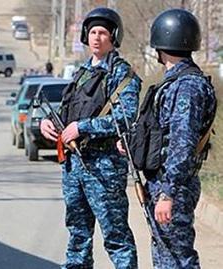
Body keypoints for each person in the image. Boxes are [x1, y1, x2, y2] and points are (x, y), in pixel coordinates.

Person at [40, 7, 141, 268]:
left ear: (113, 37)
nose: (96, 38)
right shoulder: (82, 72)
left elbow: (126, 117)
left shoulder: (122, 74)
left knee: (116, 237)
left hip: (104, 168)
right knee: (78, 234)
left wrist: (82, 127)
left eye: (103, 33)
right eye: (93, 32)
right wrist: (49, 124)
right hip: (74, 166)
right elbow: (66, 111)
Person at [121, 9, 217, 268]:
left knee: (178, 257)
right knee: (167, 254)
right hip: (165, 182)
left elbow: (181, 144)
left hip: (172, 184)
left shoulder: (186, 87)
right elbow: (161, 134)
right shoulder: (176, 82)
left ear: (160, 45)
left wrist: (167, 193)